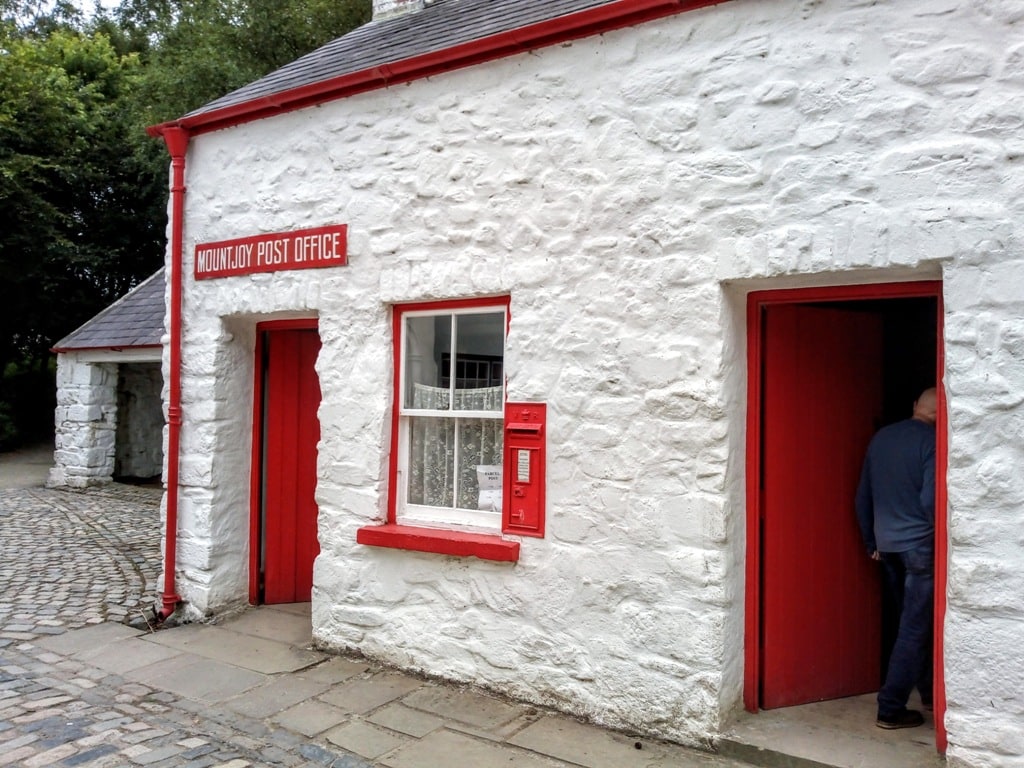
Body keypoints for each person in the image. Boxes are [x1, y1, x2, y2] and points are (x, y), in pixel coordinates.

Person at [855, 387, 937, 730]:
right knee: (915, 628)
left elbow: (863, 495)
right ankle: (890, 708)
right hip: (920, 547)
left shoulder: (882, 438)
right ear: (940, 415)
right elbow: (932, 498)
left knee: (910, 623)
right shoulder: (933, 441)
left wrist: (871, 539)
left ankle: (930, 692)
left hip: (887, 547)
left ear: (915, 405)